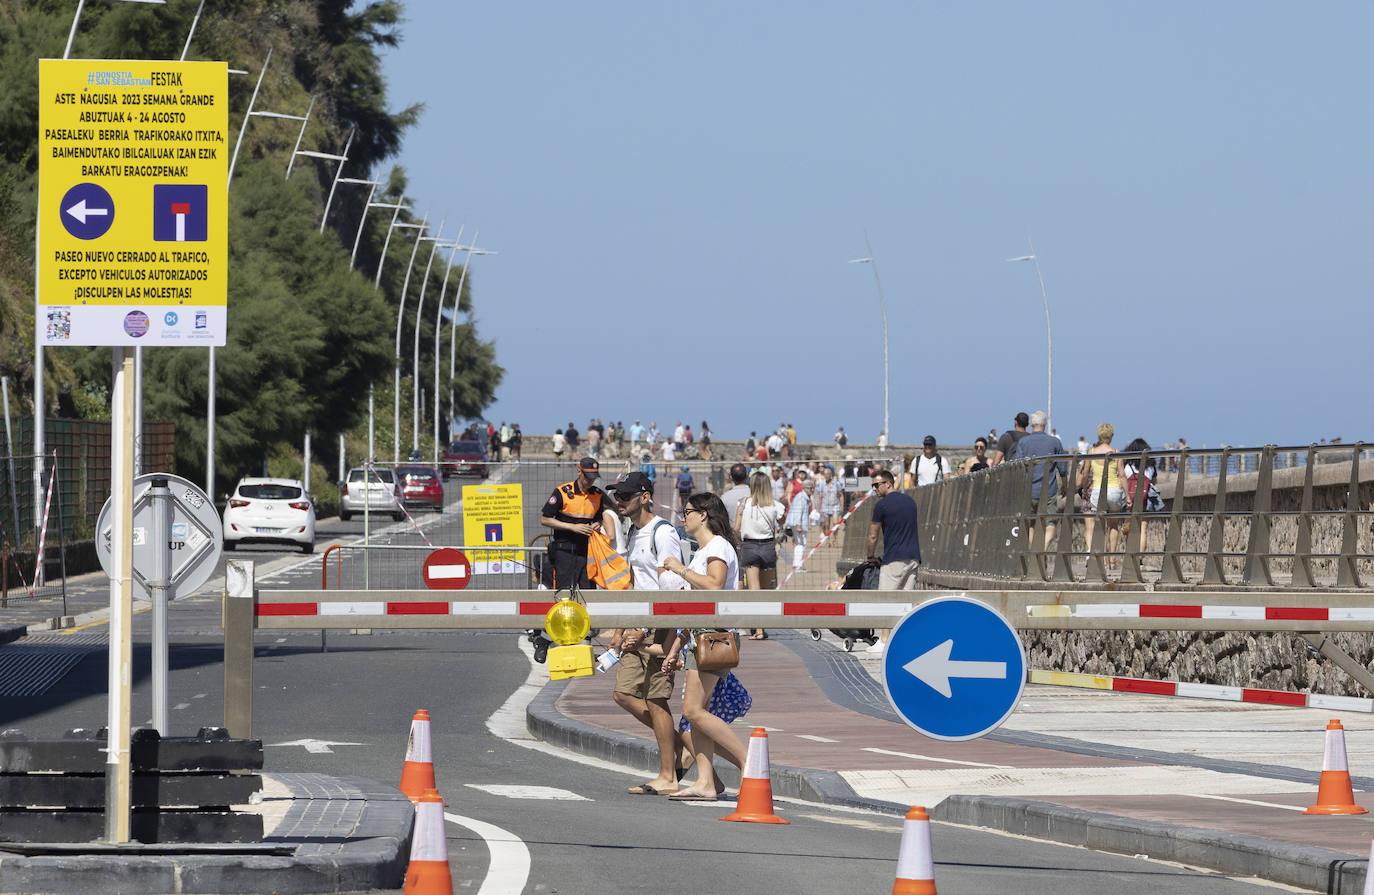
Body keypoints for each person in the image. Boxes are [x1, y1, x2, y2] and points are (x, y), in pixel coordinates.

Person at [660, 492, 748, 801]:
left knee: (693, 711)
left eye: (687, 512)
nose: (683, 518)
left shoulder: (718, 546)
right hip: (702, 633)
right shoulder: (704, 549)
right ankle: (706, 782)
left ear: (704, 515)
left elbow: (714, 585)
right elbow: (695, 604)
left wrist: (679, 569)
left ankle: (750, 764)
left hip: (714, 634)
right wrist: (676, 647)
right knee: (698, 711)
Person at [608, 472, 690, 795]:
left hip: (659, 624)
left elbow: (669, 585)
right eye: (618, 496)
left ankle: (668, 774)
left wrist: (646, 630)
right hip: (637, 624)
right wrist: (620, 629)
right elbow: (632, 581)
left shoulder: (662, 532)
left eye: (625, 496)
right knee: (623, 693)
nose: (620, 502)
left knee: (656, 698)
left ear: (645, 497)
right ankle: (687, 745)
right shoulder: (632, 533)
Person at [865, 468, 921, 653]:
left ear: (888, 483)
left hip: (893, 559)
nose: (874, 489)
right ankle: (904, 641)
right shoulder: (911, 502)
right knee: (905, 602)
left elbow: (873, 536)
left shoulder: (882, 505)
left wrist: (870, 556)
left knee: (886, 600)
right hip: (913, 557)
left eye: (876, 484)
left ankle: (884, 641)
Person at [734, 472, 784, 640]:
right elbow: (782, 523)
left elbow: (736, 527)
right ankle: (761, 627)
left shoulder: (744, 504)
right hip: (768, 547)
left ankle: (758, 629)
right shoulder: (775, 505)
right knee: (764, 591)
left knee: (753, 590)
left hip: (749, 546)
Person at [1014, 411, 1066, 549]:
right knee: (1050, 522)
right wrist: (1065, 486)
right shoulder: (1055, 442)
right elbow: (1063, 469)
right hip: (1049, 490)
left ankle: (1034, 551)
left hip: (1029, 490)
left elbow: (1018, 466)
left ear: (1031, 424)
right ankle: (1042, 548)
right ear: (1045, 424)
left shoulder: (1023, 442)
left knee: (1030, 523)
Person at [1078, 422, 1125, 568]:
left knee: (1100, 525)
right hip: (1114, 491)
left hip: (1098, 492)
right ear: (1111, 436)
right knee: (1113, 525)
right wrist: (1128, 497)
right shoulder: (1116, 452)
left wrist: (1085, 489)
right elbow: (1122, 476)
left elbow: (1085, 474)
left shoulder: (1092, 453)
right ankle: (1112, 559)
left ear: (1099, 435)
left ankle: (1102, 560)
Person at [1122, 437, 1163, 546]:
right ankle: (1139, 558)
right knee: (1143, 528)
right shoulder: (1150, 466)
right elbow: (1154, 481)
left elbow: (1122, 481)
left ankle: (1130, 556)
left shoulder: (1127, 466)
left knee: (1130, 526)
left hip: (1130, 498)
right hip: (1146, 497)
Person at [785, 478, 813, 572]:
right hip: (798, 524)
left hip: (798, 523)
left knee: (799, 544)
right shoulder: (801, 497)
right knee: (801, 544)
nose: (811, 490)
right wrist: (798, 525)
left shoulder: (803, 497)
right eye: (810, 488)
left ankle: (797, 565)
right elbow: (798, 512)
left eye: (812, 488)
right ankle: (797, 566)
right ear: (804, 488)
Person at [814, 464, 843, 533]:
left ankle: (835, 539)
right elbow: (819, 497)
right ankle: (827, 540)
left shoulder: (836, 484)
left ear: (831, 475)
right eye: (825, 474)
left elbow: (841, 495)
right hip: (825, 506)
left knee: (835, 524)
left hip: (835, 506)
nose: (826, 475)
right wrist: (819, 508)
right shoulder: (822, 485)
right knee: (826, 525)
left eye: (828, 474)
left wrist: (841, 506)